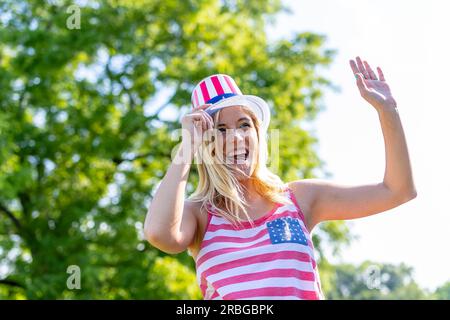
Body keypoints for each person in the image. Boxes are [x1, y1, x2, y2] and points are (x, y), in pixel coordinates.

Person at [144, 57, 417, 300]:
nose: (236, 137)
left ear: (257, 134)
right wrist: (186, 148)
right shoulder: (199, 214)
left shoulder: (299, 199)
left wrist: (388, 111)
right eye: (220, 130)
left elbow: (398, 190)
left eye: (244, 125)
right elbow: (159, 234)